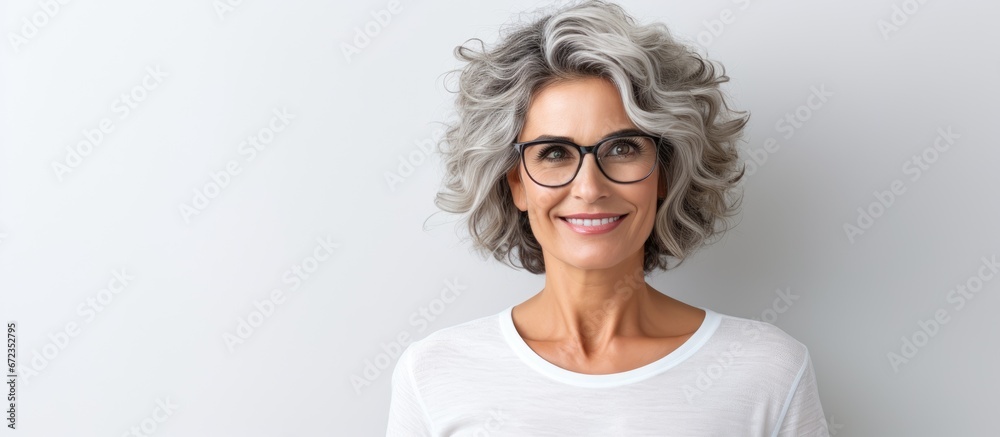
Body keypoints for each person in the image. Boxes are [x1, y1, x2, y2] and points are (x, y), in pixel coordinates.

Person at [387, 1, 829, 435]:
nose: (589, 188)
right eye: (554, 153)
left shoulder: (766, 372)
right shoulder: (434, 374)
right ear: (516, 184)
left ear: (665, 173)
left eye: (622, 149)